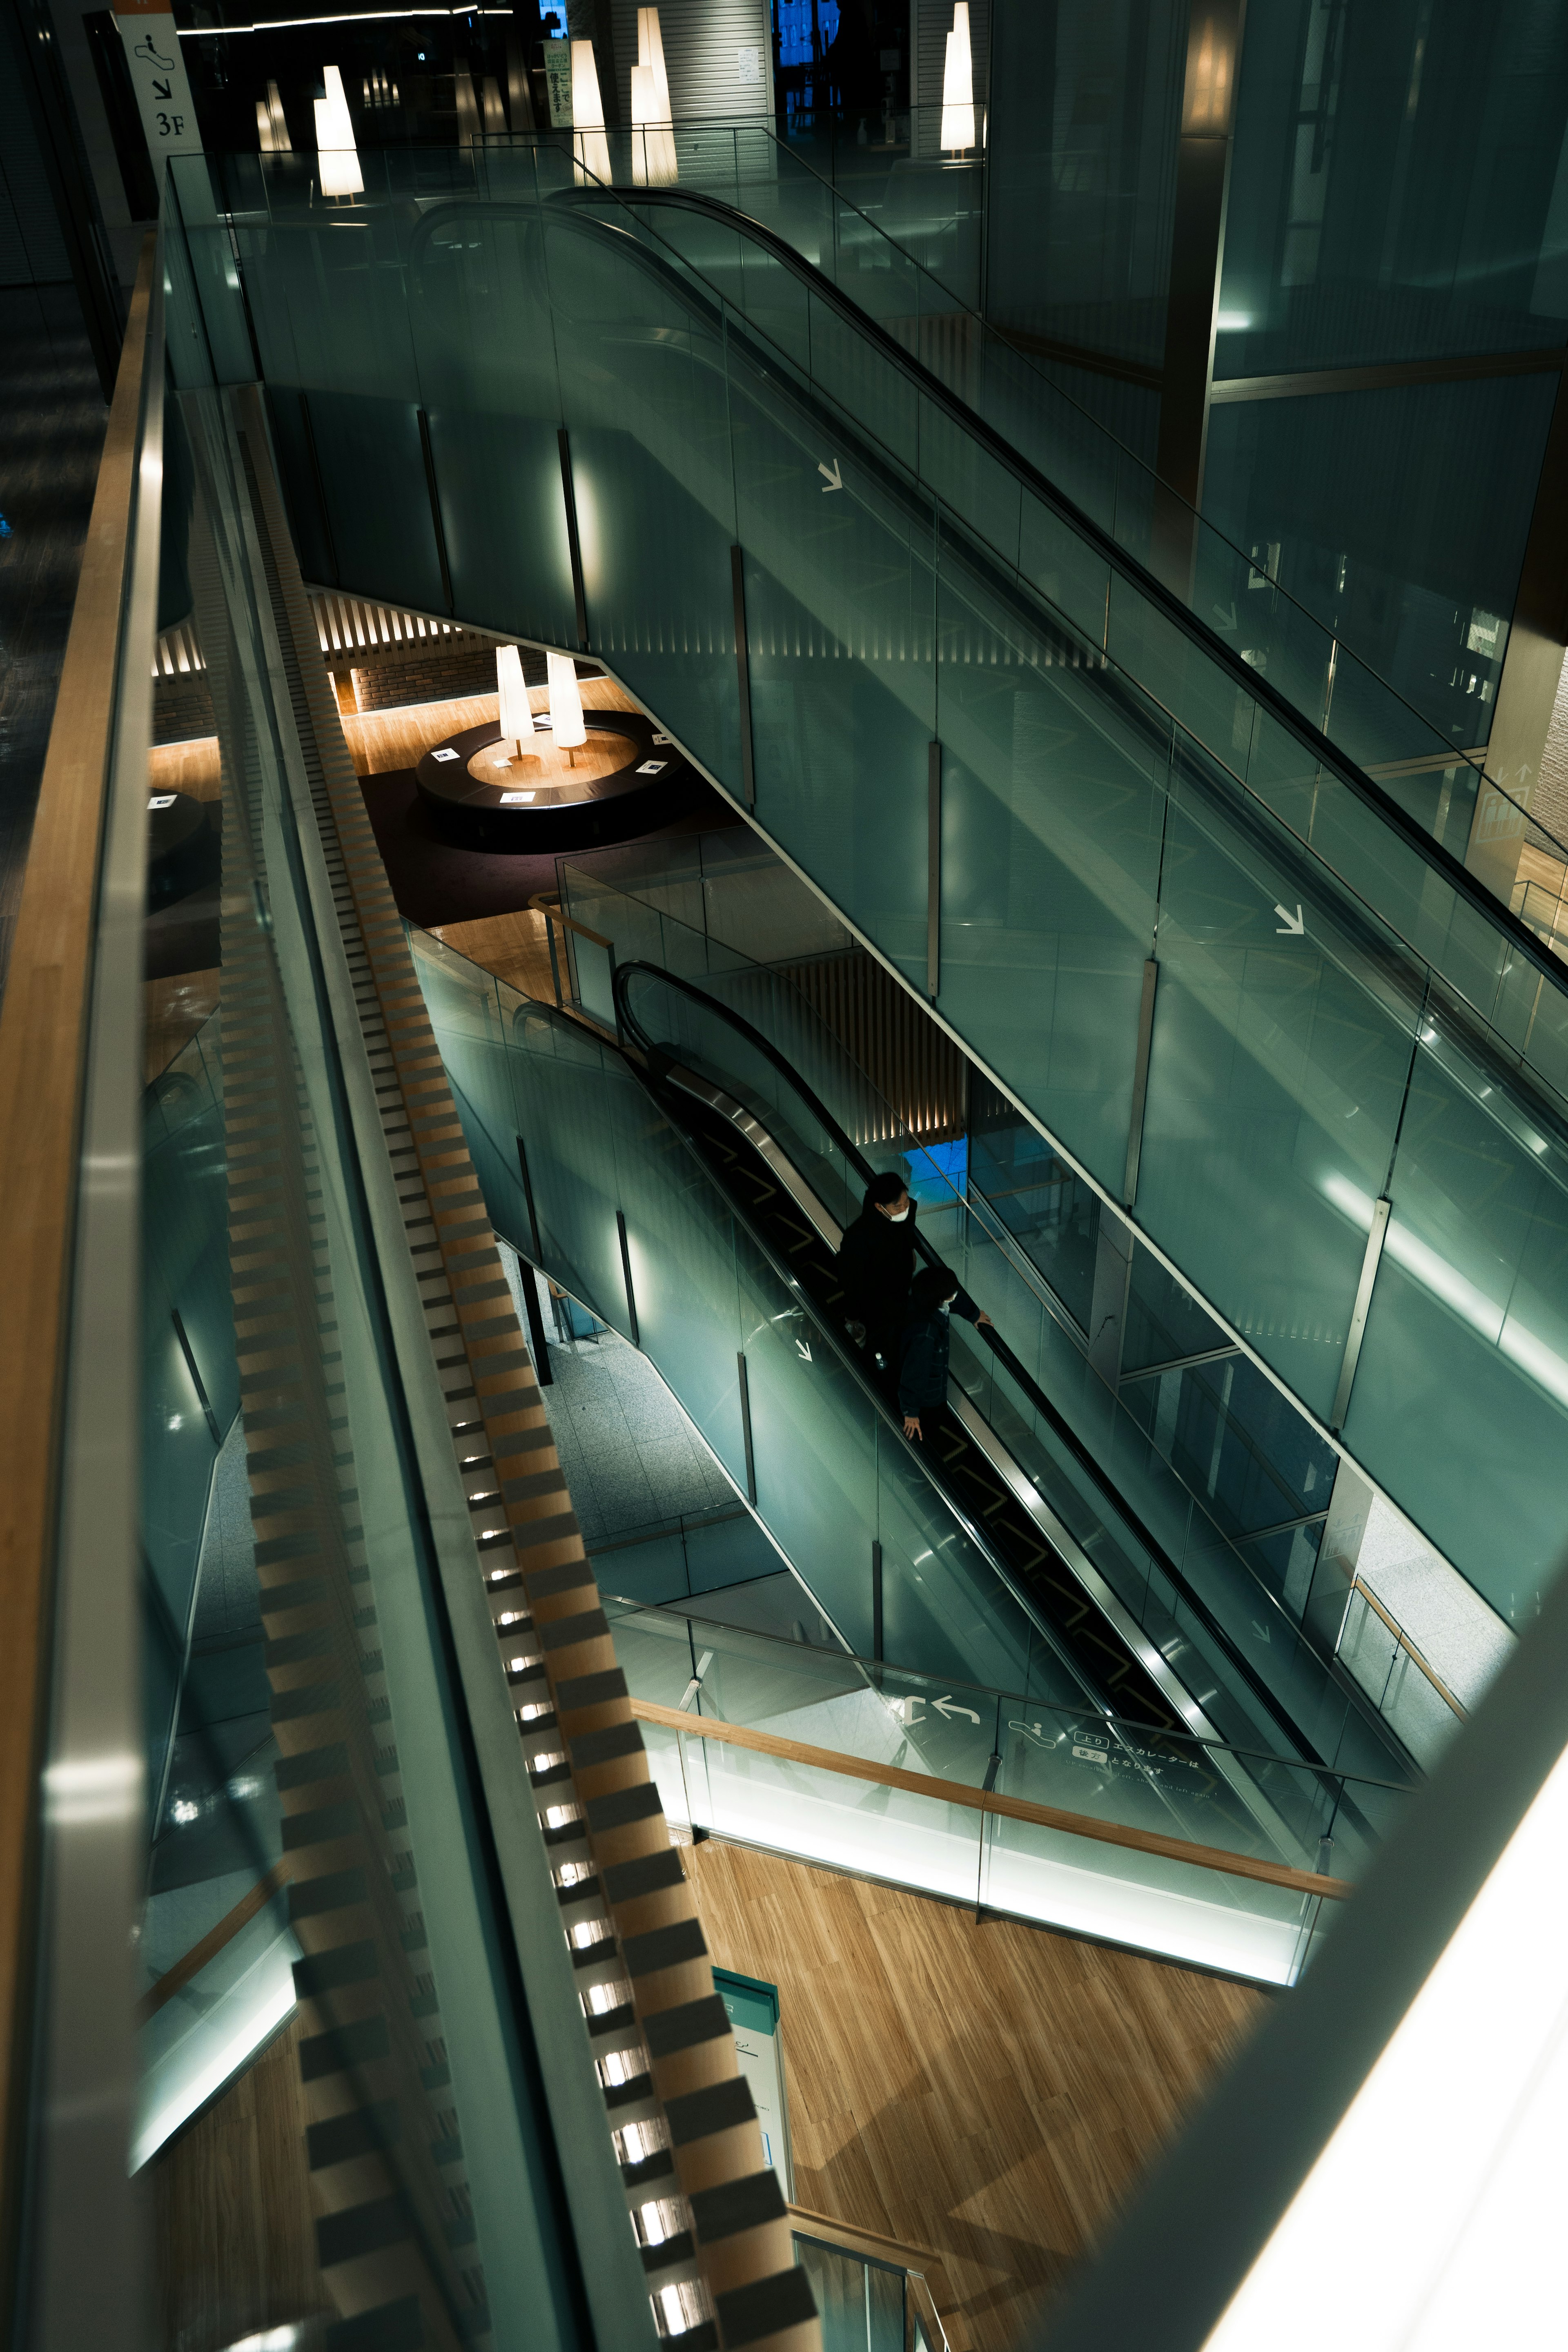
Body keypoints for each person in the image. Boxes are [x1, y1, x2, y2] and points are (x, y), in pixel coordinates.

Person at [835, 1171, 919, 1373]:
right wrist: (853, 1315)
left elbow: (907, 1232)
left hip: (901, 1290)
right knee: (883, 1341)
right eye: (897, 1206)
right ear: (879, 1207)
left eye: (905, 1202)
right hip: (876, 1301)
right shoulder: (858, 1238)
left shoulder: (910, 1208)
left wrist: (910, 1253)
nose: (904, 1208)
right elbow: (853, 1281)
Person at [898, 1263, 992, 1442]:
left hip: (931, 1394)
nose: (955, 1296)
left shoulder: (923, 1298)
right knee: (927, 1432)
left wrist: (973, 1314)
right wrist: (911, 1412)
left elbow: (953, 1302)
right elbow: (916, 1373)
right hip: (927, 1399)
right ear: (939, 1300)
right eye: (951, 1295)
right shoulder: (925, 1335)